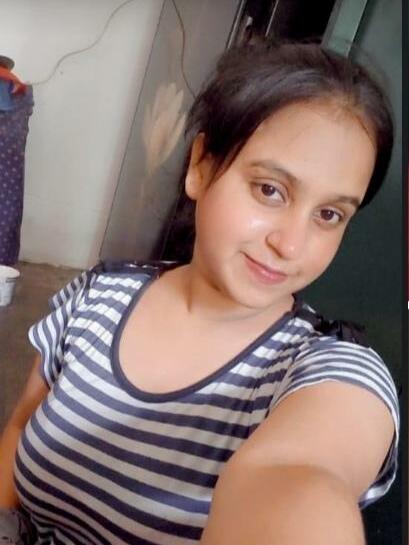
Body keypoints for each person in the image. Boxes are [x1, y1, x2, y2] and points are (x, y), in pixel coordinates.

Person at [0, 40, 399, 545]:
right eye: (270, 190)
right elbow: (21, 428)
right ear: (201, 167)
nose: (291, 245)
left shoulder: (332, 372)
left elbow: (300, 477)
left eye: (329, 214)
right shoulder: (97, 295)